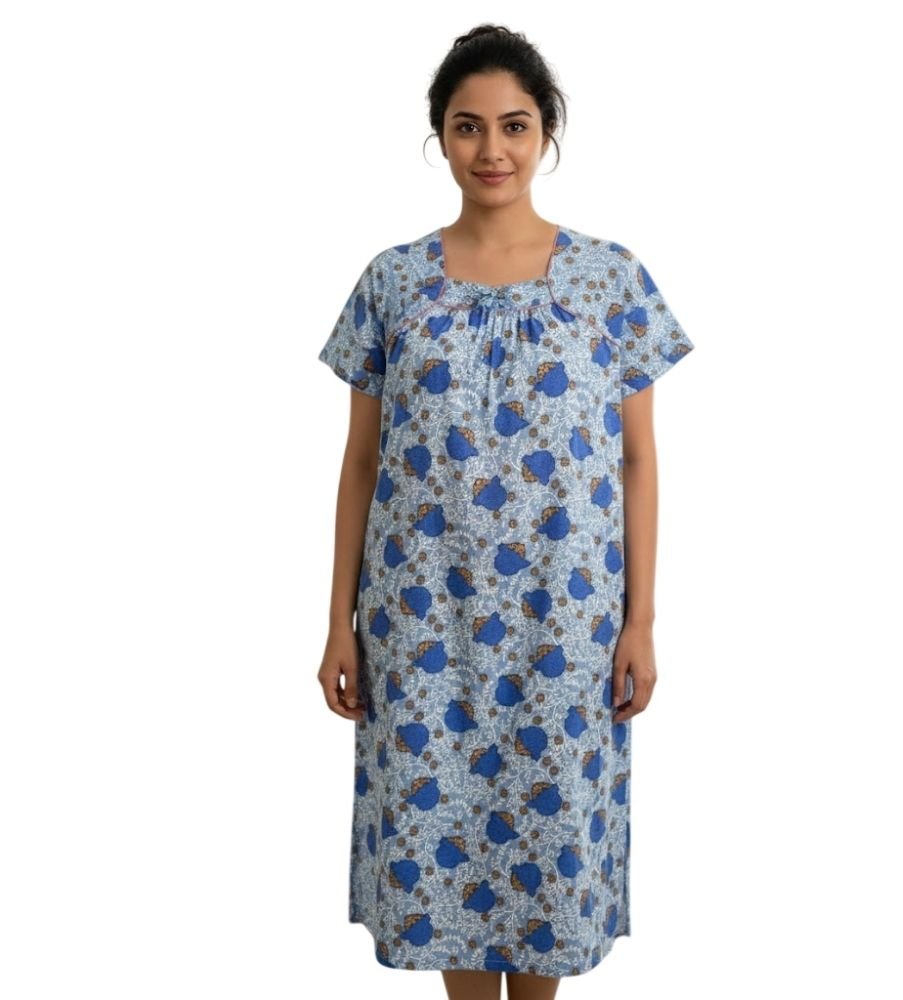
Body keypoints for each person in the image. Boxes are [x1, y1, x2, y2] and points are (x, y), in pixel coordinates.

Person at [316, 23, 695, 1000]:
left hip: (563, 628)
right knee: (439, 847)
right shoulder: (393, 282)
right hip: (422, 629)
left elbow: (639, 460)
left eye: (514, 126)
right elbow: (359, 463)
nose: (492, 149)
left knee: (548, 848)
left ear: (546, 133)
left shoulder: (611, 278)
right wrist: (338, 622)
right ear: (439, 135)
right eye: (468, 126)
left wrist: (641, 619)